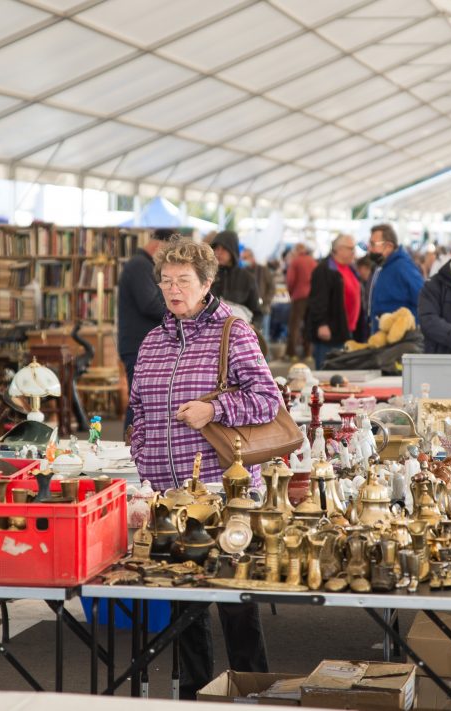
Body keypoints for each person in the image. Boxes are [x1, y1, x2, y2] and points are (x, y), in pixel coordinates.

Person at [129, 238, 280, 699]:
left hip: (223, 492)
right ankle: (197, 696)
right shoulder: (153, 340)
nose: (173, 290)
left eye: (183, 281)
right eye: (166, 281)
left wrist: (214, 410)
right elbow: (136, 408)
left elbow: (268, 399)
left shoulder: (234, 332)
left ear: (207, 283)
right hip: (167, 498)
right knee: (183, 607)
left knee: (236, 602)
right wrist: (141, 451)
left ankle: (253, 694)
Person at [117, 229, 169, 432]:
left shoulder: (141, 264)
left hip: (139, 343)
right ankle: (129, 446)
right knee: (138, 399)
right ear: (159, 246)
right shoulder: (140, 266)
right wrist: (179, 311)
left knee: (140, 397)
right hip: (137, 344)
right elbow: (149, 304)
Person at [305, 234, 360, 369]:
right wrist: (322, 324)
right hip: (330, 333)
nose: (354, 252)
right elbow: (318, 300)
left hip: (346, 331)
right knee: (327, 372)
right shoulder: (324, 269)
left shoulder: (350, 268)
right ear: (339, 249)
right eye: (350, 248)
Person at [366, 223, 424, 333]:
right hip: (383, 338)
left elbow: (424, 300)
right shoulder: (382, 267)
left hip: (398, 341)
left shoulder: (403, 267)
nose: (369, 248)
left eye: (373, 244)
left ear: (389, 246)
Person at [209, 230, 262, 323]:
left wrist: (253, 327)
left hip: (239, 332)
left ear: (232, 250)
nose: (219, 252)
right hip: (209, 332)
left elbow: (257, 312)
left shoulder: (247, 279)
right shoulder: (207, 275)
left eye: (224, 249)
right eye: (216, 248)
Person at [285, 243, 316, 359]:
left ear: (297, 250)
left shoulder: (295, 261)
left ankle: (292, 353)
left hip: (299, 297)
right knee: (308, 325)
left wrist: (291, 292)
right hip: (311, 296)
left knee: (294, 326)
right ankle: (308, 353)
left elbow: (290, 280)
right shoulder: (312, 261)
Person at [242, 248, 276, 336]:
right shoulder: (244, 272)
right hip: (249, 311)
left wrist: (266, 300)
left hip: (264, 308)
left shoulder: (263, 270)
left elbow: (272, 287)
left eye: (245, 258)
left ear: (252, 257)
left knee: (264, 336)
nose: (244, 261)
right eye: (243, 258)